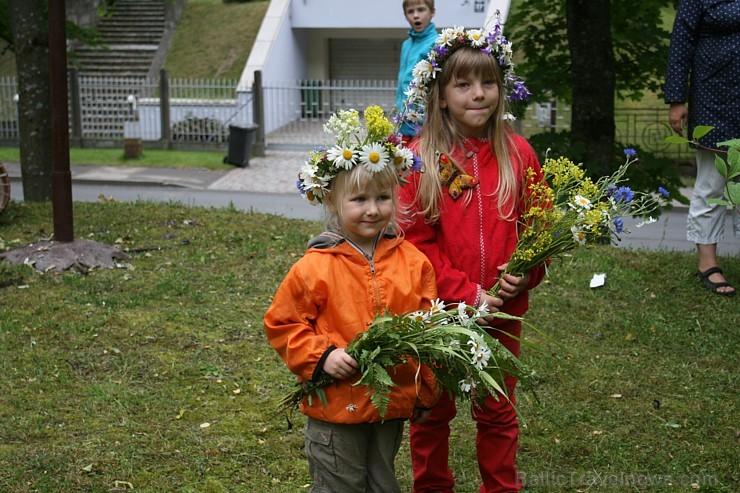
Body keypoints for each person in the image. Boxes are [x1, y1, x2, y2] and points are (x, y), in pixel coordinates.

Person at [397, 23, 544, 492]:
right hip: (440, 314)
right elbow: (416, 243)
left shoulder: (519, 154)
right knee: (432, 411)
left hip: (503, 315)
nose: (478, 94)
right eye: (463, 84)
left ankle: (501, 488)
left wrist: (526, 273)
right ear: (439, 95)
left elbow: (540, 228)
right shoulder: (419, 159)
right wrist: (467, 294)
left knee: (498, 409)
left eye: (489, 82)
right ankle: (432, 486)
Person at [264, 107, 438, 493]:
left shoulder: (415, 264)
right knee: (340, 485)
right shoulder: (314, 268)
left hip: (388, 405)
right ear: (332, 201)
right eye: (358, 199)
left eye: (382, 197)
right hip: (335, 407)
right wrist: (321, 356)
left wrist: (424, 391)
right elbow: (282, 323)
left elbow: (427, 334)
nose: (372, 209)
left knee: (382, 483)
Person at [664, 0, 740, 296]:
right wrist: (676, 98)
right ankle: (708, 263)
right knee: (712, 181)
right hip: (715, 96)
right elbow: (681, 43)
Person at [396, 0, 437, 141]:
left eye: (421, 10)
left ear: (432, 12)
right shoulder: (406, 45)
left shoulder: (436, 42)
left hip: (425, 120)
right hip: (403, 117)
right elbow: (402, 81)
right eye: (410, 12)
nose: (416, 15)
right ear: (405, 15)